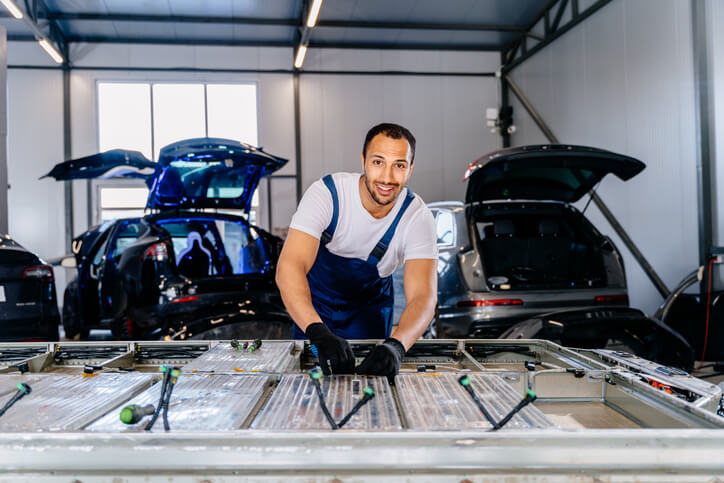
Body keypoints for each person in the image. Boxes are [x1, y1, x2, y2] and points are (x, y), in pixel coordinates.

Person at [275, 122, 438, 378]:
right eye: (378, 162)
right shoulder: (327, 194)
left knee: (368, 391)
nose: (387, 177)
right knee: (311, 390)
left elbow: (423, 297)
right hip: (315, 306)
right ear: (363, 160)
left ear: (410, 169)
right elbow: (290, 267)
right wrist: (316, 331)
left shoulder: (416, 217)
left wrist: (397, 345)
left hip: (369, 309)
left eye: (399, 165)